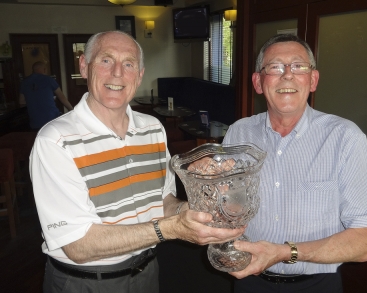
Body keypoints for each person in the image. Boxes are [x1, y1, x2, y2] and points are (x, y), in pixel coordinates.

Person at [29, 31, 244, 293]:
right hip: (84, 282)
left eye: (129, 64)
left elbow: (163, 202)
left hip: (147, 273)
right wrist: (173, 228)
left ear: (139, 75)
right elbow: (78, 245)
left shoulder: (153, 129)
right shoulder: (55, 140)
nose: (117, 73)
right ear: (84, 67)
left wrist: (194, 211)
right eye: (106, 60)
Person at [220, 34, 367, 292]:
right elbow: (227, 209)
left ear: (313, 80)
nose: (287, 75)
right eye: (275, 67)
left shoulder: (345, 138)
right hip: (250, 281)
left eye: (298, 66)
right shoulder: (239, 132)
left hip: (315, 285)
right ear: (258, 82)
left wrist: (283, 252)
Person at [19, 61, 73, 130]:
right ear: (44, 69)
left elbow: (22, 102)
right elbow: (62, 98)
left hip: (35, 122)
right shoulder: (49, 80)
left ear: (33, 70)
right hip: (52, 119)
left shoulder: (24, 83)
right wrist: (72, 110)